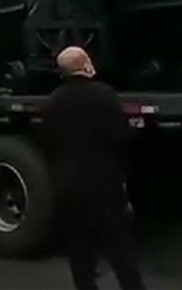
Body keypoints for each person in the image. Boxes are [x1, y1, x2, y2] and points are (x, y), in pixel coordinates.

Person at [42, 46, 146, 290]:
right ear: (86, 64)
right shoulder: (103, 95)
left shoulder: (54, 100)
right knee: (119, 245)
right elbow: (120, 137)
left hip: (69, 182)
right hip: (103, 181)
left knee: (79, 246)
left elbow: (48, 139)